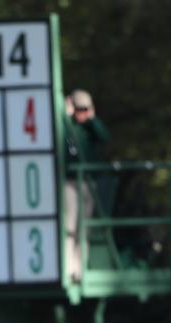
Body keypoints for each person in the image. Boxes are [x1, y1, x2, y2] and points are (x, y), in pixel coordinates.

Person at [64, 90, 111, 280]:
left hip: (88, 182)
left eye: (85, 109)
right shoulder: (68, 128)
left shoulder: (91, 130)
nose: (81, 113)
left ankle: (79, 267)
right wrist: (66, 117)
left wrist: (93, 119)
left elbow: (105, 137)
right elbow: (64, 140)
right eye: (78, 109)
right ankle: (68, 267)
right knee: (70, 224)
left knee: (85, 226)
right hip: (70, 181)